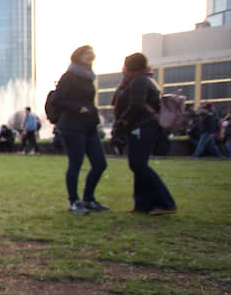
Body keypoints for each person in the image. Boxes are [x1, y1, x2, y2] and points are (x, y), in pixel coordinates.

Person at [112, 52, 176, 215]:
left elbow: (136, 105)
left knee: (138, 165)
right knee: (137, 165)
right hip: (143, 126)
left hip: (142, 126)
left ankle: (166, 203)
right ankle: (142, 205)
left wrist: (123, 122)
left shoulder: (139, 80)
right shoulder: (145, 78)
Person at [54, 45, 108, 215]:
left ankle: (88, 198)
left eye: (92, 52)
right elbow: (57, 100)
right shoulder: (69, 76)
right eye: (87, 53)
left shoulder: (88, 77)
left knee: (100, 164)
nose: (91, 55)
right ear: (78, 56)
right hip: (72, 126)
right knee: (76, 164)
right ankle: (74, 201)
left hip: (89, 126)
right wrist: (78, 108)